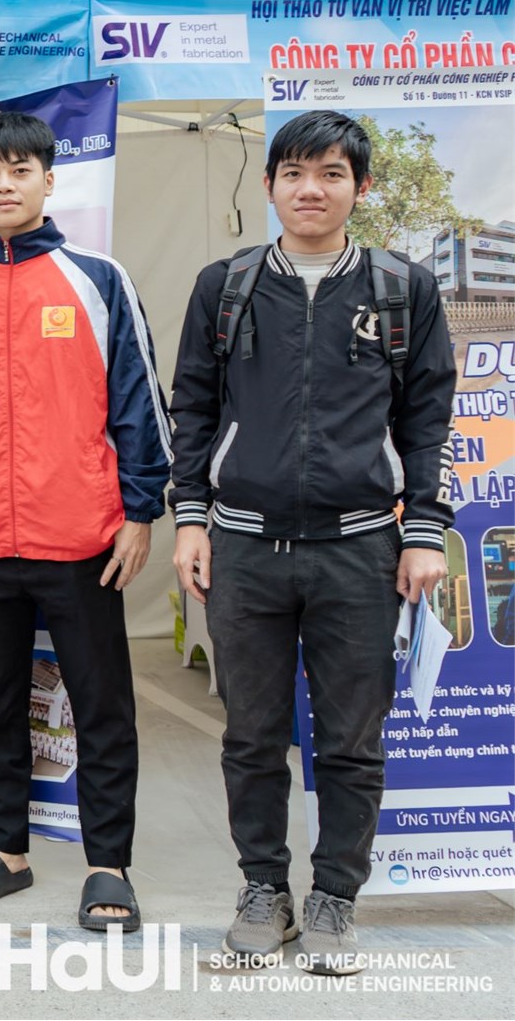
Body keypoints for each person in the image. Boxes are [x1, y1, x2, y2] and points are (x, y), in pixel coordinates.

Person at [170, 109, 455, 974]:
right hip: (245, 548)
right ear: (268, 187)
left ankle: (334, 897)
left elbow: (426, 417)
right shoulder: (225, 286)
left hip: (360, 548)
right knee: (251, 736)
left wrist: (426, 530)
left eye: (330, 173)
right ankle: (265, 889)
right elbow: (190, 408)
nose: (310, 188)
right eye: (293, 172)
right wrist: (189, 515)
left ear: (357, 189)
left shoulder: (400, 290)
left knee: (349, 740)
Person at [0, 111, 171, 931]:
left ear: (47, 179)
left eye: (18, 170)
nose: (3, 184)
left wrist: (139, 511)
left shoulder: (96, 279)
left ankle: (108, 864)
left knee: (100, 705)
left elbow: (140, 405)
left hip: (82, 541)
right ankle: (7, 850)